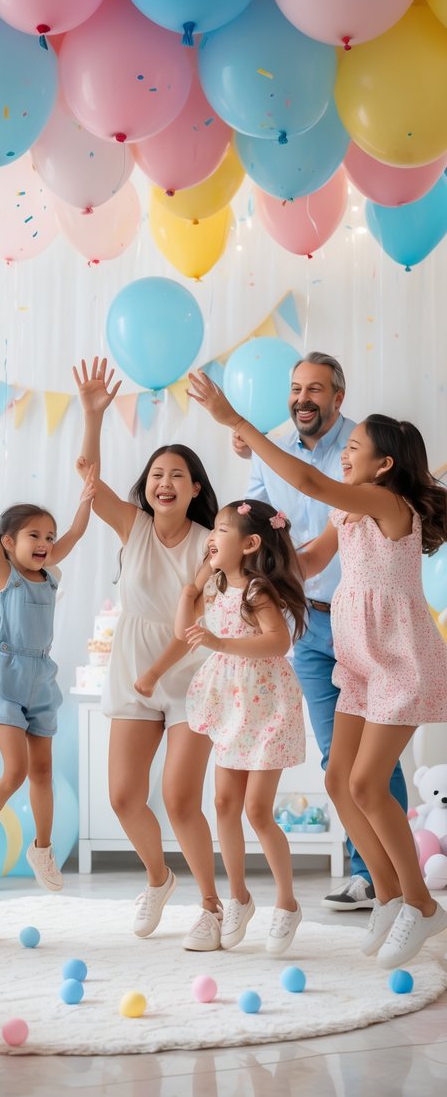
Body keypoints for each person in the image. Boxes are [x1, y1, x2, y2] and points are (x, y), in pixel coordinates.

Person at [190, 369, 447, 967]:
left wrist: (236, 423)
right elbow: (309, 559)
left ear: (383, 466)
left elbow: (306, 478)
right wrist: (257, 584)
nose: (345, 456)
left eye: (355, 449)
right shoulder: (350, 515)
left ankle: (423, 907)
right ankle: (387, 896)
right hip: (360, 658)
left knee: (365, 783)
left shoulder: (386, 502)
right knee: (338, 780)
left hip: (400, 659)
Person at [232, 351, 407, 910]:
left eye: (315, 389)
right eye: (295, 388)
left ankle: (395, 883)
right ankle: (372, 876)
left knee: (375, 764)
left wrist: (237, 425)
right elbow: (264, 532)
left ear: (338, 397)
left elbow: (315, 486)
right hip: (309, 621)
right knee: (338, 760)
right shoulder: (271, 448)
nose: (302, 398)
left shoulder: (369, 449)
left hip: (370, 630)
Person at [73, 356, 225, 946]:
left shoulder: (214, 544)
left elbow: (200, 616)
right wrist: (92, 415)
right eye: (157, 473)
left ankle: (211, 907)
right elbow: (88, 475)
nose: (164, 482)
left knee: (180, 798)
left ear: (195, 490)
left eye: (177, 476)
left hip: (193, 676)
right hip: (133, 670)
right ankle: (159, 878)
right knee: (122, 797)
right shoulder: (132, 526)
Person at [135, 499, 307, 955]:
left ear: (250, 544)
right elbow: (182, 628)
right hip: (232, 705)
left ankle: (287, 903)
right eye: (213, 528)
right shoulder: (214, 585)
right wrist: (189, 590)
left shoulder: (257, 590)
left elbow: (278, 641)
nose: (212, 536)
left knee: (257, 810)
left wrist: (219, 641)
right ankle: (238, 898)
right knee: (224, 803)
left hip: (266, 704)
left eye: (222, 529)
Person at [0, 458, 96, 894]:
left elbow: (74, 536)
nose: (45, 543)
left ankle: (42, 847)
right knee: (15, 771)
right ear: (8, 542)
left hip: (41, 677)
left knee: (42, 771)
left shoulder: (50, 577)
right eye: (34, 535)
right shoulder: (6, 577)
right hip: (6, 675)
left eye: (48, 537)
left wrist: (86, 500)